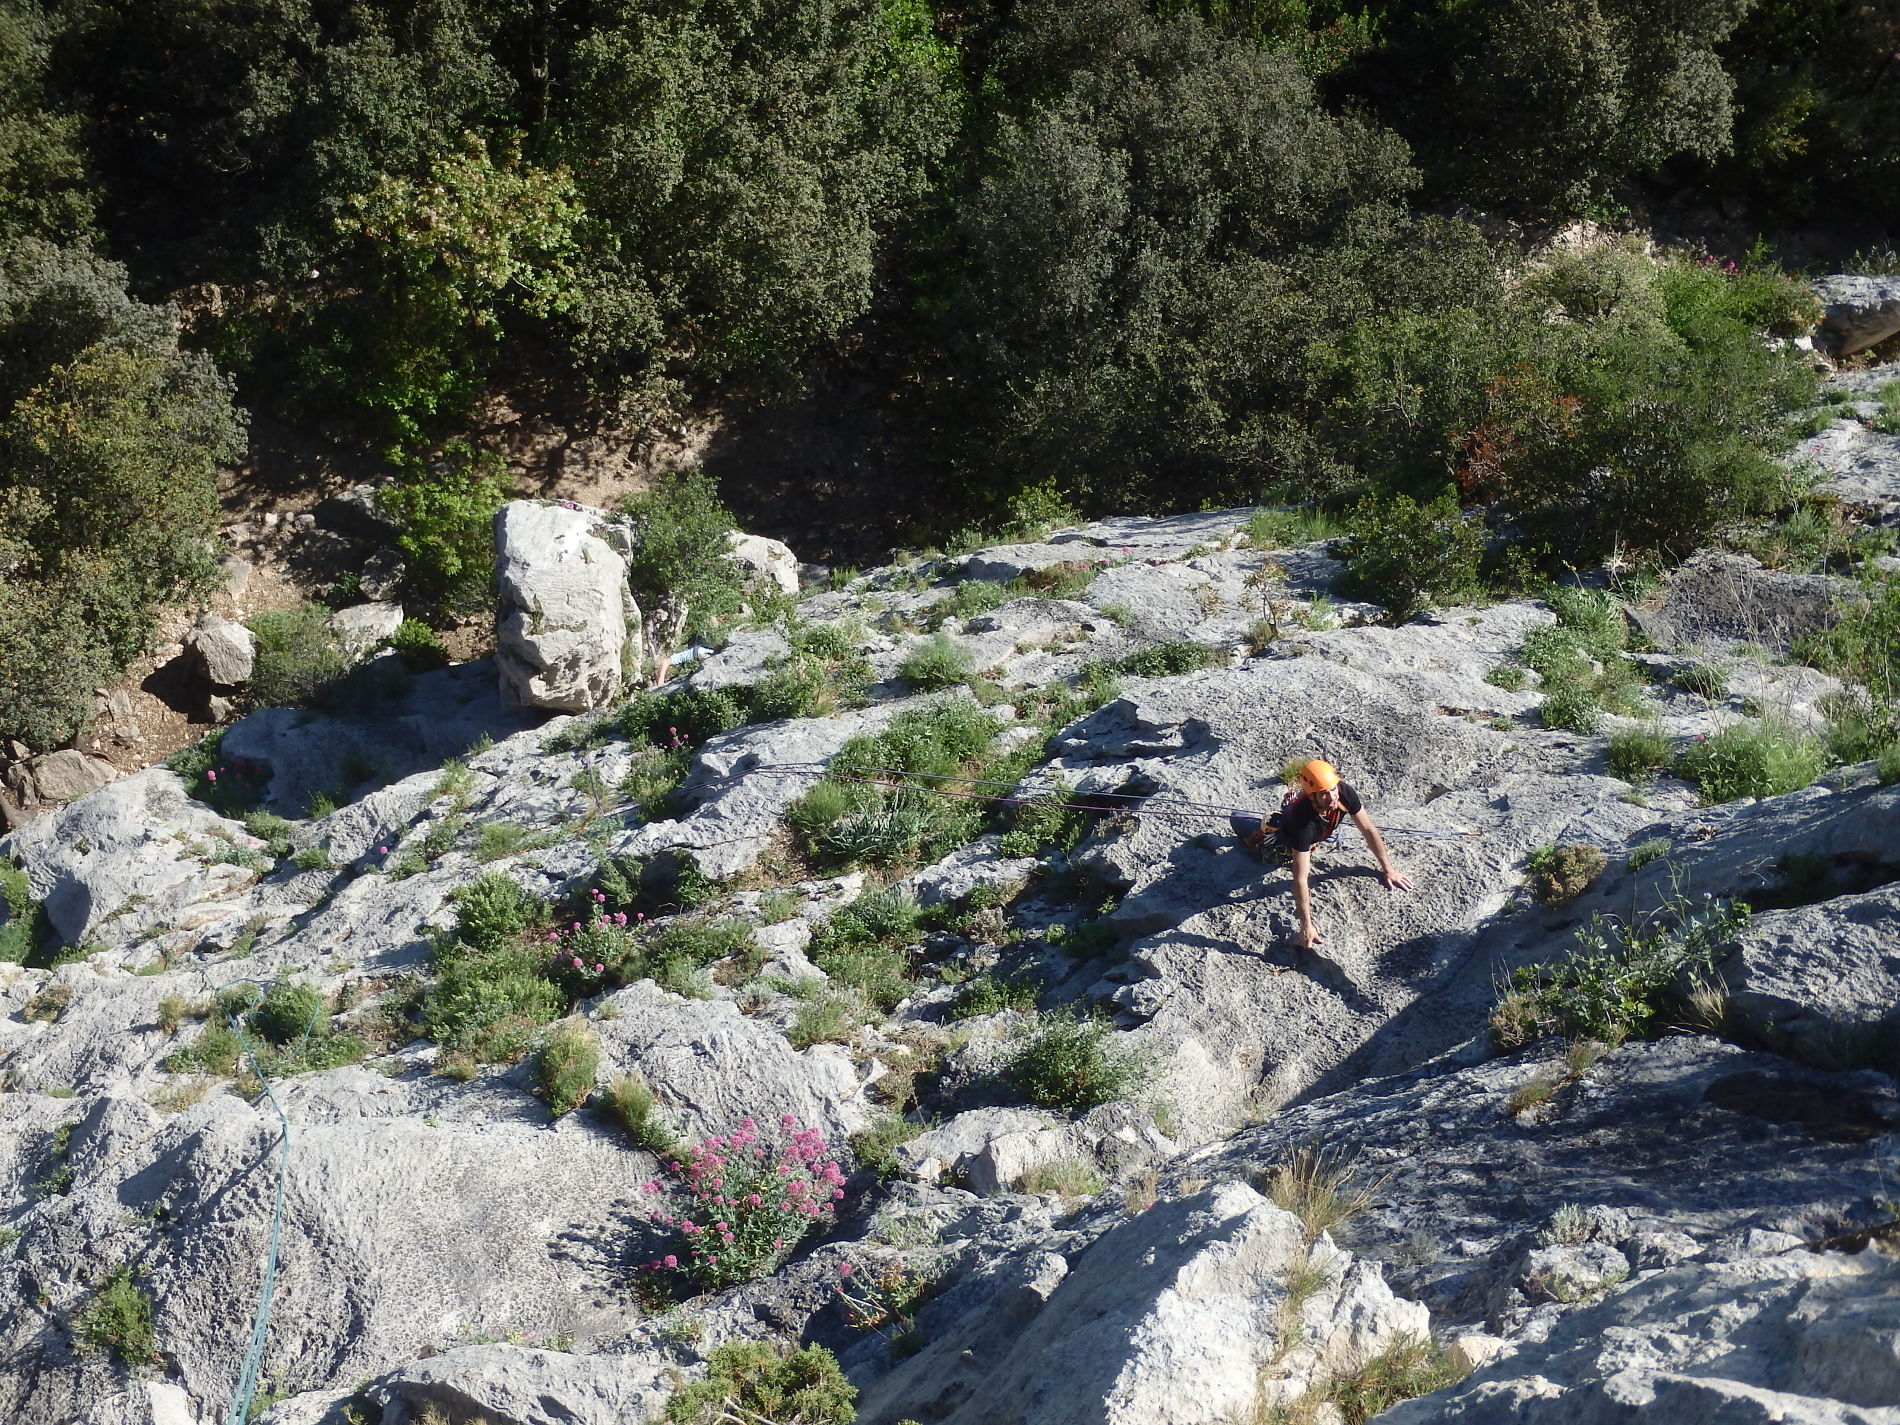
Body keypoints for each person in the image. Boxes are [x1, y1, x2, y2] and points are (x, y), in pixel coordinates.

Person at [1231, 759, 1414, 954]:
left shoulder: (1343, 793)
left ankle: (1287, 805)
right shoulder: (1303, 824)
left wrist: (1388, 869)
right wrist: (1306, 926)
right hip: (1285, 838)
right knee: (1251, 836)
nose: (1332, 796)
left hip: (1311, 830)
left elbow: (1368, 829)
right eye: (1324, 794)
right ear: (1312, 797)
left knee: (1297, 820)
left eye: (1332, 789)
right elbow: (1300, 878)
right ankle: (1271, 818)